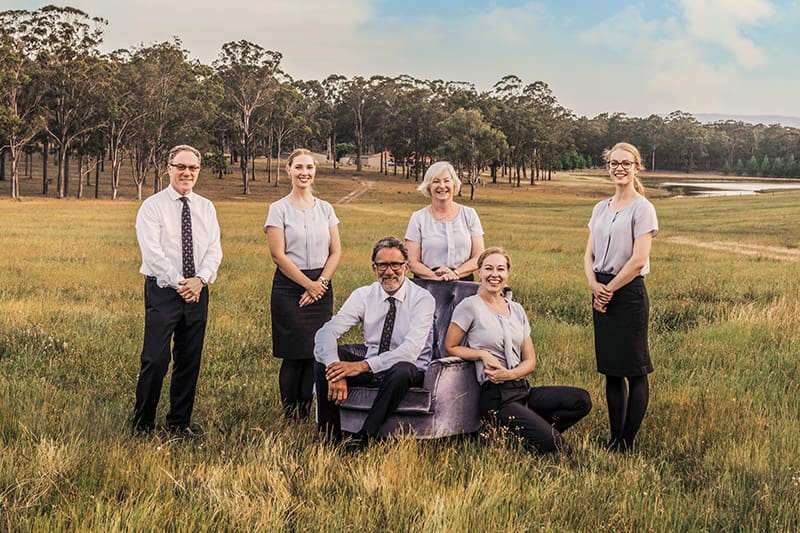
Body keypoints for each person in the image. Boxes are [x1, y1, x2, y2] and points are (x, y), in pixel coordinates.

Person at [445, 247, 591, 453]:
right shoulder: (469, 306)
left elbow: (530, 361)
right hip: (496, 398)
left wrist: (510, 374)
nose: (494, 274)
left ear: (507, 273)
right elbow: (450, 346)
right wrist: (481, 353)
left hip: (522, 390)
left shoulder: (517, 309)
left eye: (500, 269)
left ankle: (522, 434)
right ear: (479, 272)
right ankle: (532, 433)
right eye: (488, 268)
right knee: (559, 448)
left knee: (581, 400)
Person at [132, 145, 223, 436]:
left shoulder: (206, 207)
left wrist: (200, 280)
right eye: (180, 166)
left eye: (192, 168)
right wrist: (180, 283)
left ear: (198, 171)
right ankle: (142, 424)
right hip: (163, 291)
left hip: (198, 291)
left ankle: (178, 424)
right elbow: (152, 253)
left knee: (189, 360)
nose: (187, 172)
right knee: (155, 360)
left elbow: (214, 250)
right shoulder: (153, 206)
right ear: (168, 168)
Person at [314, 236, 435, 451]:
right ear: (374, 268)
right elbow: (327, 332)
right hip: (372, 365)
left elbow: (410, 351)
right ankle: (329, 437)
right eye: (383, 265)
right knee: (324, 359)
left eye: (395, 264)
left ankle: (364, 437)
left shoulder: (422, 299)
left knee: (402, 369)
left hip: (409, 371)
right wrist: (335, 370)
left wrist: (360, 366)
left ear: (406, 266)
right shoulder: (364, 295)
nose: (389, 271)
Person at [584, 142, 659, 452]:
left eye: (626, 163)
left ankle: (626, 442)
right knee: (612, 371)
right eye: (614, 163)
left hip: (627, 293)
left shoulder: (643, 208)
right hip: (600, 289)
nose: (619, 168)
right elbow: (588, 253)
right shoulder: (600, 208)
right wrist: (594, 287)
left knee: (635, 370)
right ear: (608, 167)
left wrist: (609, 290)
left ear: (636, 168)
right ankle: (614, 439)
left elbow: (639, 259)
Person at [265, 148, 341, 419]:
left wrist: (320, 283)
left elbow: (336, 251)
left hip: (322, 284)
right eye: (298, 167)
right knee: (294, 353)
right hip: (289, 286)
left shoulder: (326, 208)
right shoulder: (279, 209)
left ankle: (307, 410)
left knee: (314, 352)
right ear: (289, 170)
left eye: (309, 167)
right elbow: (278, 255)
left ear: (314, 171)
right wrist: (307, 285)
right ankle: (290, 414)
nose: (304, 172)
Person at [405, 161, 484, 281]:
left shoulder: (469, 214)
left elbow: (479, 256)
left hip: (463, 284)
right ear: (429, 186)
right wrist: (435, 277)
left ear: (454, 184)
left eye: (446, 181)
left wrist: (455, 274)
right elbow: (411, 261)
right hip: (427, 285)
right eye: (436, 181)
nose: (442, 186)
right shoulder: (418, 218)